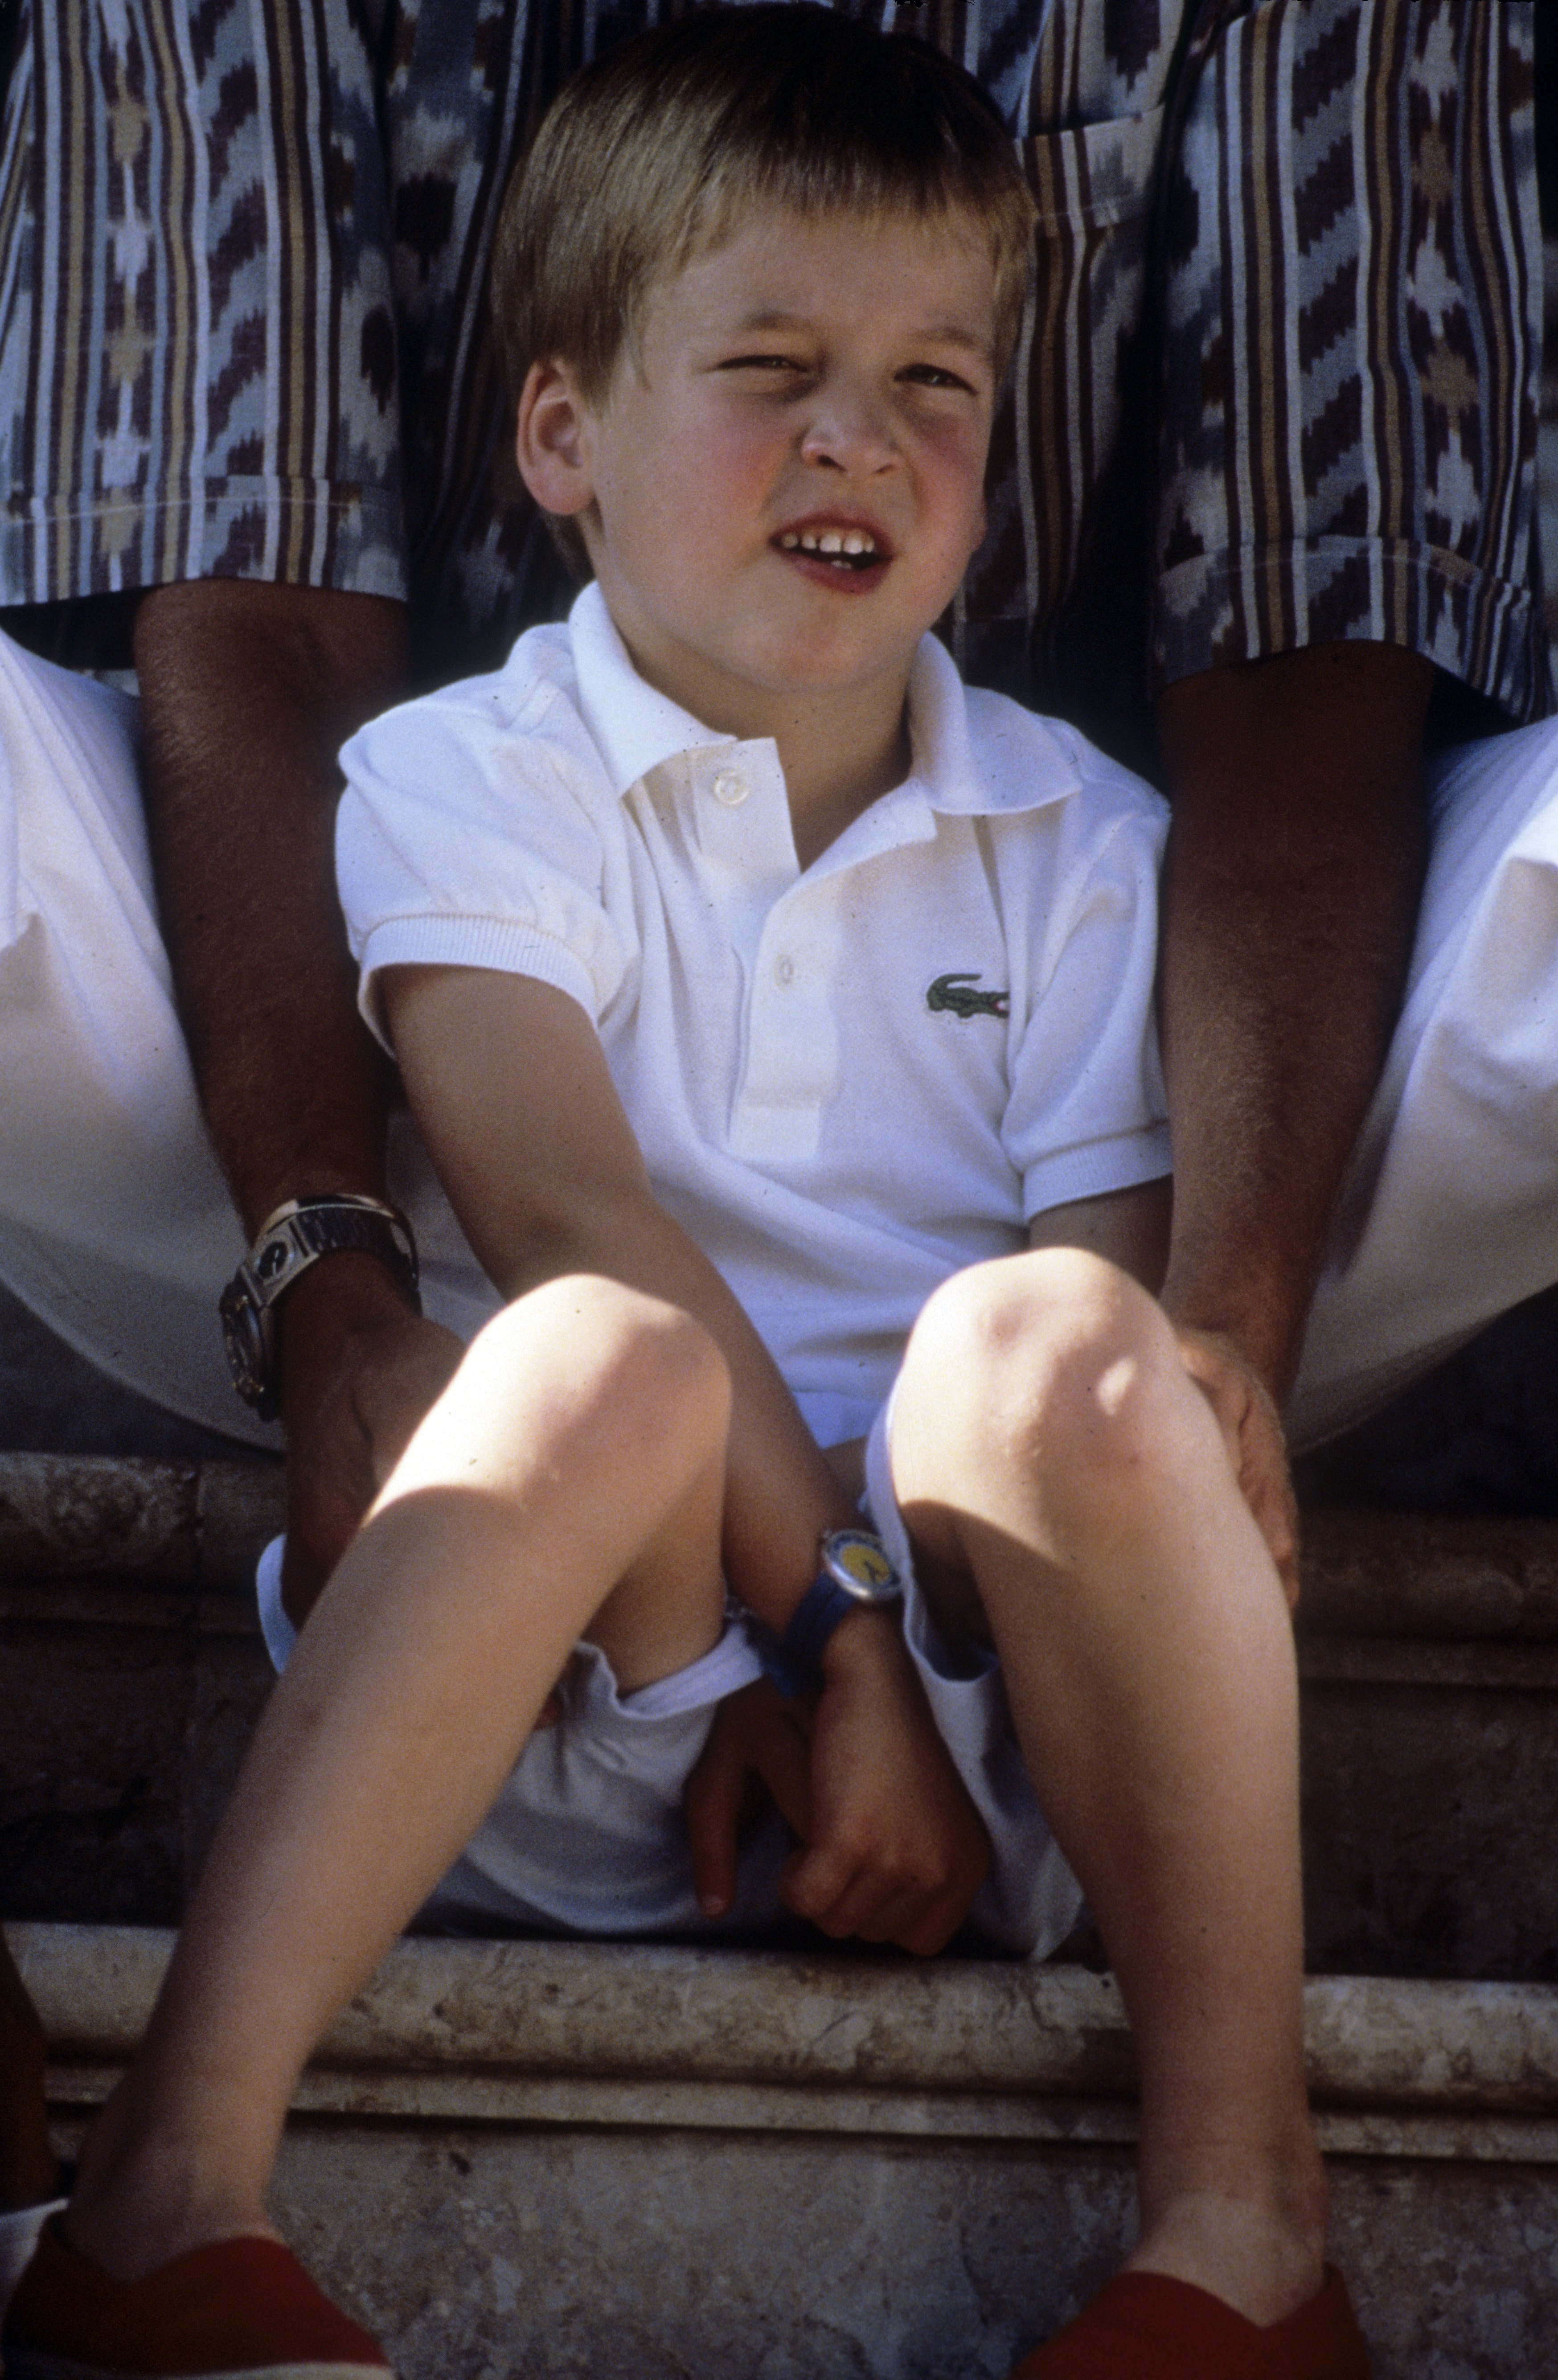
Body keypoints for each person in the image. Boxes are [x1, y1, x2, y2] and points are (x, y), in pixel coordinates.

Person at [4, 16, 1372, 2376]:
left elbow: (1099, 1332)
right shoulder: (461, 775)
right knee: (591, 1351)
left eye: (935, 383)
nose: (857, 437)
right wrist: (816, 1641)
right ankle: (166, 2199)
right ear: (563, 434)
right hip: (591, 1684)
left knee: (1053, 1342)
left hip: (985, 1737)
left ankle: (1244, 2236)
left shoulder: (1076, 833)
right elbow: (561, 1207)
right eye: (770, 367)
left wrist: (908, 1673)